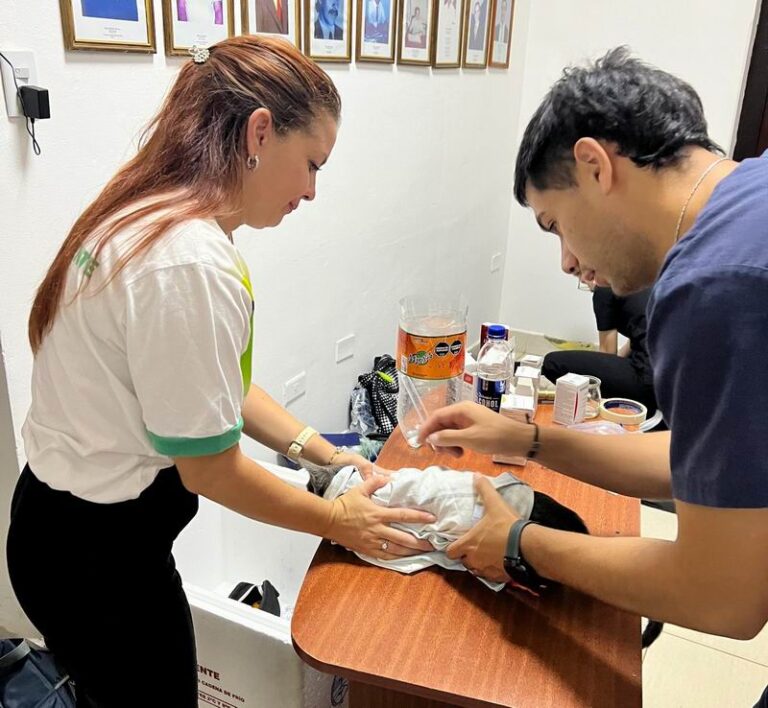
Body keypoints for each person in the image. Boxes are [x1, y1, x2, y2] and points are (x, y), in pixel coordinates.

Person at [6, 36, 435, 707]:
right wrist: (338, 521)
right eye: (312, 165)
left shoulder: (149, 215)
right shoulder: (189, 262)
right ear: (260, 132)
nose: (312, 192)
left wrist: (325, 459)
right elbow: (209, 468)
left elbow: (220, 393)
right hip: (97, 558)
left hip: (53, 525)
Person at [419, 48, 768, 707]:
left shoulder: (713, 285)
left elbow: (722, 595)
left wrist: (518, 543)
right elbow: (703, 462)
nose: (565, 259)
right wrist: (527, 442)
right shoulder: (752, 197)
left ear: (595, 165)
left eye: (555, 224)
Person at [542, 284, 657, 414]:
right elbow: (636, 339)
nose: (584, 280)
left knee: (552, 363)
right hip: (671, 378)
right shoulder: (645, 283)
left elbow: (608, 353)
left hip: (648, 381)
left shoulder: (604, 288)